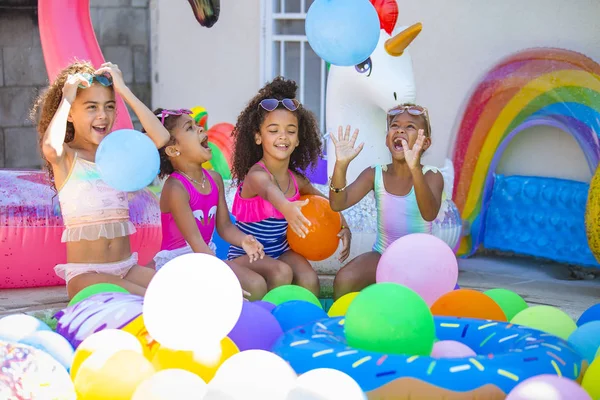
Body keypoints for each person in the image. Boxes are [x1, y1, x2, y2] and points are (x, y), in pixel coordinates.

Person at [31, 60, 171, 298]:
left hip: (126, 268)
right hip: (87, 275)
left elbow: (161, 137)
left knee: (179, 292)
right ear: (71, 115)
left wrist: (124, 90)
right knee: (151, 301)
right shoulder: (67, 156)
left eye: (109, 107)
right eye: (91, 107)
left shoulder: (118, 152)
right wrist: (66, 98)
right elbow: (50, 147)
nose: (102, 116)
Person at [227, 76, 352, 298]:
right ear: (258, 137)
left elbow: (328, 205)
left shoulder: (297, 181)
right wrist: (286, 207)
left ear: (298, 140)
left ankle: (309, 322)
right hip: (247, 256)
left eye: (290, 131)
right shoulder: (256, 175)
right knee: (281, 272)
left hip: (280, 251)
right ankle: (273, 326)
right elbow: (269, 190)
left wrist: (343, 225)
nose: (282, 136)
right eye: (273, 130)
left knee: (308, 276)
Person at [329, 103, 445, 299]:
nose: (400, 129)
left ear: (425, 143)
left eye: (410, 126)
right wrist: (340, 165)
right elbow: (338, 203)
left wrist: (415, 168)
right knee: (344, 279)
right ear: (387, 140)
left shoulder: (431, 176)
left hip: (421, 260)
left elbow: (429, 213)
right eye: (395, 125)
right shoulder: (375, 174)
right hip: (383, 254)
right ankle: (340, 324)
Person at [151, 108, 264, 299]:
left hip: (204, 257)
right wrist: (221, 278)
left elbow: (225, 226)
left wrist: (243, 239)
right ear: (173, 149)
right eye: (190, 128)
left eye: (197, 125)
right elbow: (195, 242)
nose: (200, 130)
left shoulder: (214, 178)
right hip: (179, 266)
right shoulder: (175, 188)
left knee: (256, 284)